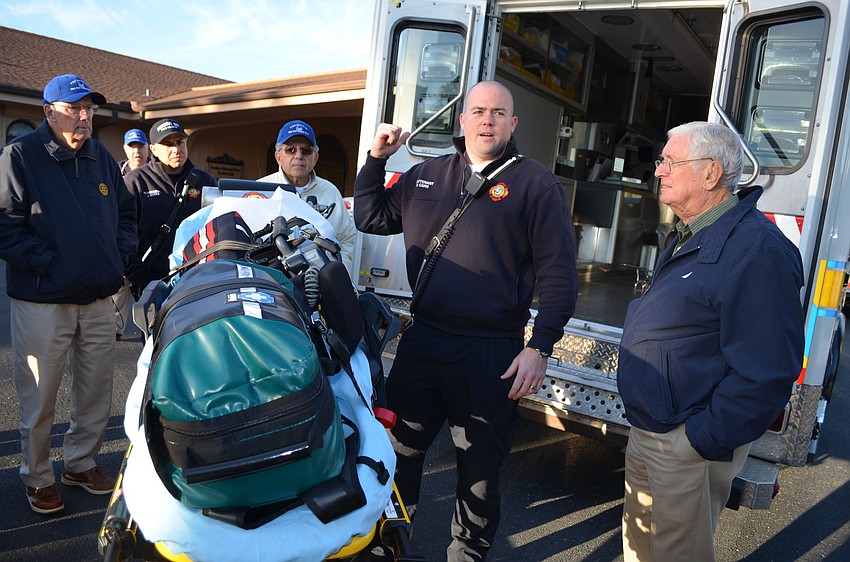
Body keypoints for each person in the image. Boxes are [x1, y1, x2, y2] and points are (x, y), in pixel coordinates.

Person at [354, 80, 577, 560]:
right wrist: (375, 161)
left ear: (512, 124)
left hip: (491, 351)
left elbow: (560, 275)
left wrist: (539, 347)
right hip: (423, 341)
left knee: (479, 471)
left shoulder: (536, 184)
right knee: (398, 454)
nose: (487, 120)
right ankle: (386, 548)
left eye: (498, 113)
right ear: (462, 120)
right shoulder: (425, 175)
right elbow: (370, 218)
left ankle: (467, 554)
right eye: (478, 111)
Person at [617, 121, 805, 562]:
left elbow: (768, 369)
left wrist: (701, 439)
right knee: (639, 550)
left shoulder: (759, 249)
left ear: (710, 174)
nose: (658, 171)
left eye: (670, 161)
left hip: (685, 440)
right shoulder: (691, 231)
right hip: (650, 428)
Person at [0, 73, 138, 514]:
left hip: (97, 299)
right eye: (73, 108)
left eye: (89, 109)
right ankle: (38, 476)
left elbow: (126, 214)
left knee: (96, 390)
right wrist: (53, 265)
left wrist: (118, 257)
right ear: (49, 112)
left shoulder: (100, 156)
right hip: (44, 299)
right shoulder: (20, 155)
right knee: (39, 395)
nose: (84, 117)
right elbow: (5, 227)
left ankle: (80, 463)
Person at [124, 118, 217, 294]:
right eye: (167, 144)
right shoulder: (135, 181)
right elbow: (122, 231)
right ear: (153, 149)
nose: (176, 149)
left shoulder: (204, 181)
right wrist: (137, 274)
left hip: (194, 278)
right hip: (145, 281)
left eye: (180, 142)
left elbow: (215, 225)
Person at [259, 120, 358, 271]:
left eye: (306, 151)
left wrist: (336, 271)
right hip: (274, 278)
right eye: (291, 150)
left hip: (321, 278)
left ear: (315, 157)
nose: (299, 156)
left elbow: (347, 239)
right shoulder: (260, 190)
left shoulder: (330, 192)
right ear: (278, 156)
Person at [112, 128, 150, 340]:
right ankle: (115, 330)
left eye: (140, 147)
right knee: (119, 288)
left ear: (148, 148)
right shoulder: (114, 174)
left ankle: (152, 331)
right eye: (132, 147)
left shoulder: (157, 173)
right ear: (125, 149)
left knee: (150, 292)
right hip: (124, 243)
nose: (137, 152)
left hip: (150, 244)